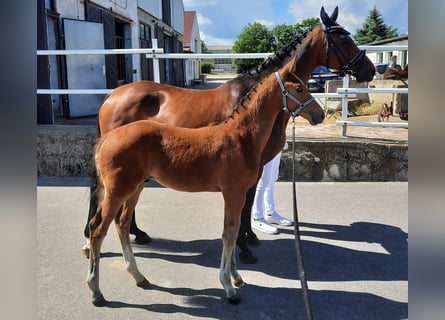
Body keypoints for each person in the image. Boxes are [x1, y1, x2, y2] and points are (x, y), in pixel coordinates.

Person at [251, 143, 293, 234]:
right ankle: (257, 217)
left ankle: (270, 212)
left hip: (276, 140)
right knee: (263, 180)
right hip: (267, 141)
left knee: (272, 177)